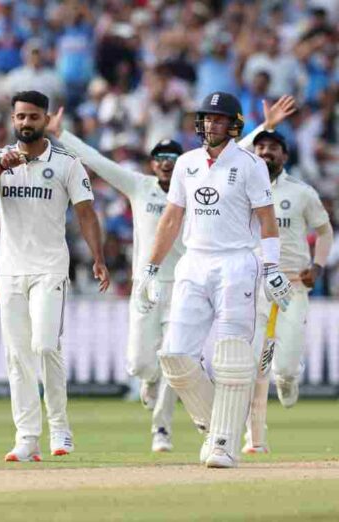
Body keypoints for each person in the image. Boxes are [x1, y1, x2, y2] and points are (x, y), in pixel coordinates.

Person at [136, 91, 292, 468]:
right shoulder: (186, 163)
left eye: (219, 119)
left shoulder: (251, 165)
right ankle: (217, 428)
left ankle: (223, 444)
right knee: (174, 357)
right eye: (207, 118)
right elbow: (171, 219)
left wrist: (272, 268)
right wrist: (150, 269)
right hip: (193, 262)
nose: (211, 124)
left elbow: (267, 220)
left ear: (235, 125)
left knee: (232, 358)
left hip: (237, 262)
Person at [0, 90, 109, 462]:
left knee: (45, 346)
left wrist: (98, 258)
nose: (26, 123)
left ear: (46, 120)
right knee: (18, 356)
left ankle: (59, 427)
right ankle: (27, 438)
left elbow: (86, 213)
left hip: (50, 268)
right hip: (10, 270)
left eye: (33, 116)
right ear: (12, 120)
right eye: (20, 117)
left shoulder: (67, 163)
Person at [47, 109, 183, 453]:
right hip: (146, 284)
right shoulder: (140, 186)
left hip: (183, 285)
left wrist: (264, 128)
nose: (166, 164)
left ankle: (162, 429)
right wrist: (62, 135)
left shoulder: (195, 188)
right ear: (152, 164)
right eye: (161, 158)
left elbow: (227, 159)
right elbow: (98, 162)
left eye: (172, 158)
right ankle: (149, 377)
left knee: (175, 355)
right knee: (140, 363)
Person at [238, 129, 332, 454]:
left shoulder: (301, 192)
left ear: (285, 155)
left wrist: (317, 267)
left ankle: (289, 379)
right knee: (253, 365)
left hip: (293, 287)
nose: (266, 152)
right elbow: (219, 161)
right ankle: (255, 438)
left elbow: (324, 231)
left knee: (284, 369)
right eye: (260, 146)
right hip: (255, 287)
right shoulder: (242, 189)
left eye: (273, 147)